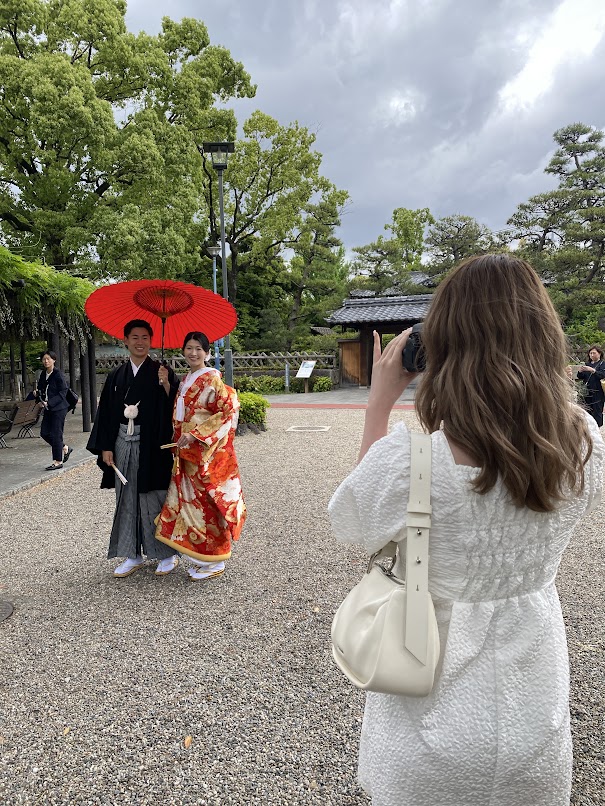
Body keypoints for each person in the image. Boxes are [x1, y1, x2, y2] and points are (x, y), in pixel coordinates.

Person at [328, 254, 605, 806]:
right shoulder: (584, 447)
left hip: (426, 712)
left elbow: (354, 523)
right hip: (533, 711)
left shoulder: (413, 461)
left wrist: (379, 404)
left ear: (445, 345)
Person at [86, 319, 180, 578]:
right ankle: (132, 554)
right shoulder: (116, 375)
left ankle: (166, 554)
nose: (140, 342)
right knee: (125, 499)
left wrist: (167, 385)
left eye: (145, 338)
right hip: (121, 442)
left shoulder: (163, 371)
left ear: (151, 341)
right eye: (135, 337)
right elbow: (104, 413)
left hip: (152, 445)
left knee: (154, 498)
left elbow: (177, 406)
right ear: (125, 341)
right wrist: (106, 446)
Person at [155, 331, 246, 581]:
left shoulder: (213, 380)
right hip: (186, 452)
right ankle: (200, 557)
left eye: (198, 348)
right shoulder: (186, 379)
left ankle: (215, 558)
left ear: (207, 353)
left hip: (205, 453)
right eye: (189, 348)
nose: (193, 353)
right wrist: (166, 384)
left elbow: (229, 412)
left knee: (207, 504)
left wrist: (196, 434)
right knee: (188, 504)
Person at [35, 350, 72, 471]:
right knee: (44, 433)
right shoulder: (43, 374)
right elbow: (41, 388)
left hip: (59, 407)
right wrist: (37, 395)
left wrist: (49, 402)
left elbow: (63, 392)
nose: (46, 361)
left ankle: (58, 461)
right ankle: (65, 447)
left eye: (48, 359)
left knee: (56, 434)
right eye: (44, 359)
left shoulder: (58, 374)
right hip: (48, 408)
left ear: (54, 360)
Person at [576, 345, 605, 426]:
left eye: (594, 353)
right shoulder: (587, 364)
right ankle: (587, 428)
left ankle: (597, 428)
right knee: (586, 411)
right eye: (590, 353)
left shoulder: (602, 364)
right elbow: (580, 377)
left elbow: (602, 375)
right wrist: (580, 371)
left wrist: (593, 370)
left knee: (597, 411)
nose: (592, 355)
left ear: (599, 354)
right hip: (587, 391)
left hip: (598, 392)